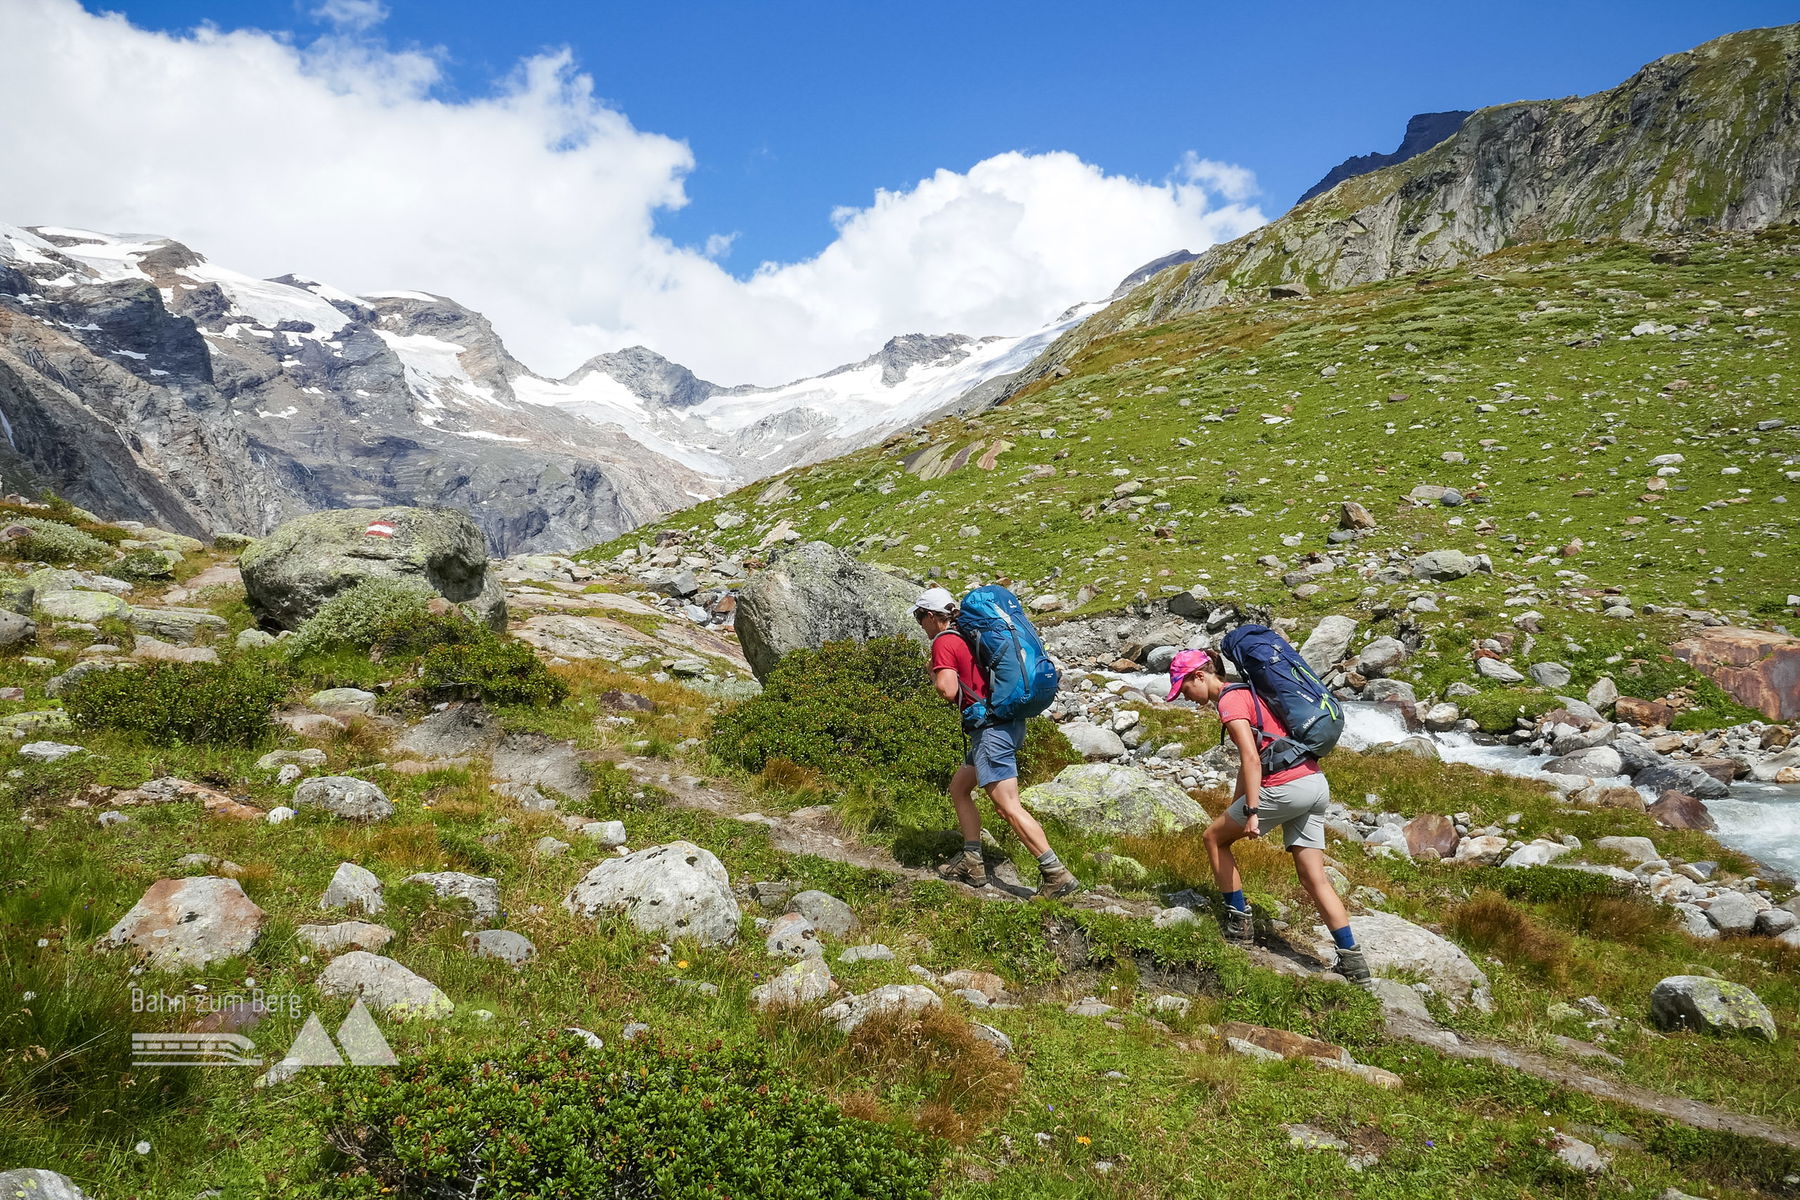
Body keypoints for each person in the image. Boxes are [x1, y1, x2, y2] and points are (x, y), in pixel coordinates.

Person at [1166, 649, 1370, 984]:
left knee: (1213, 839)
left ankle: (1238, 924)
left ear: (1200, 675)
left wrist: (1252, 812)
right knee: (1314, 878)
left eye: (1184, 688)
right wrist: (1236, 805)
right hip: (1314, 783)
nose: (1185, 696)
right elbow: (1251, 760)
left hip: (1284, 788)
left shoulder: (1229, 702)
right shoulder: (1249, 691)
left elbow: (1251, 758)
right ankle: (1354, 963)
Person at [914, 587, 1081, 899]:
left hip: (991, 731)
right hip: (1008, 723)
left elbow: (948, 689)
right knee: (960, 788)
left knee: (1007, 806)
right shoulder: (967, 633)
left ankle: (1055, 873)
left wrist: (935, 674)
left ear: (931, 616)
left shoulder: (945, 641)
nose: (920, 624)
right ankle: (972, 861)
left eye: (919, 617)